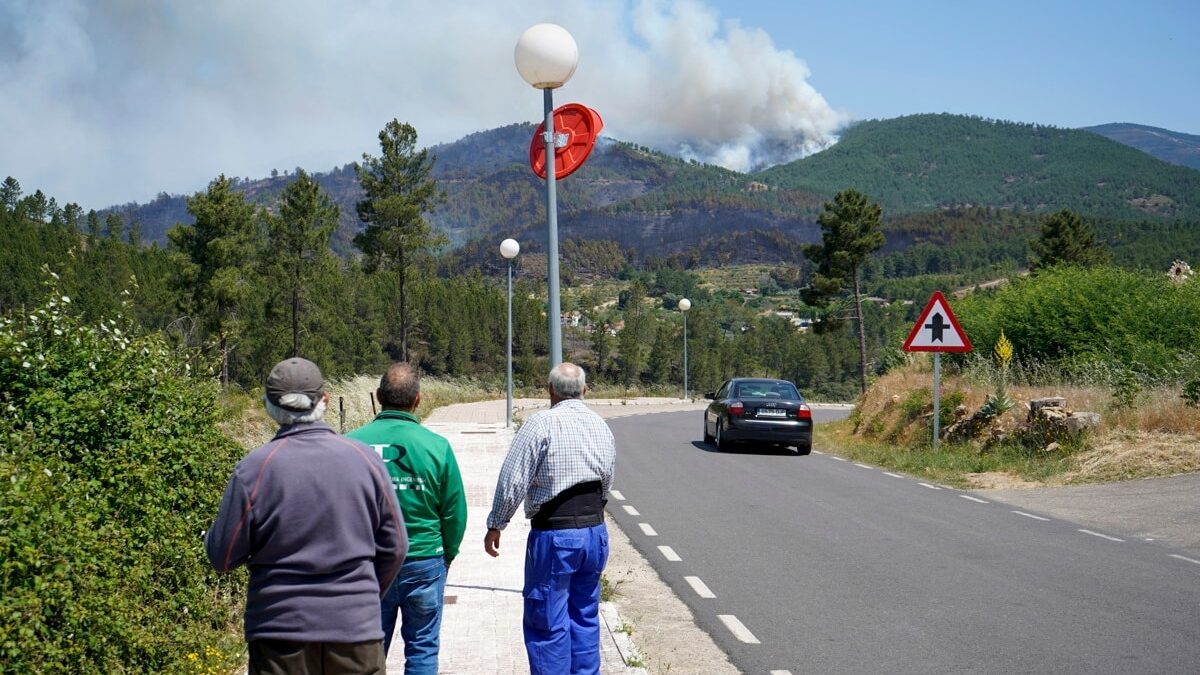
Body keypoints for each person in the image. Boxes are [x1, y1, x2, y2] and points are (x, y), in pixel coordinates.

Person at [205, 357, 408, 675]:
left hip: (280, 634)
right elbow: (396, 546)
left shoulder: (254, 470)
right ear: (324, 401)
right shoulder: (365, 461)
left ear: (268, 407)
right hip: (356, 629)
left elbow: (223, 555)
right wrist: (364, 594)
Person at [484, 362, 615, 675]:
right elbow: (607, 479)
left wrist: (496, 524)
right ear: (584, 390)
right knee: (584, 616)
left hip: (557, 535)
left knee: (547, 620)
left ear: (550, 390)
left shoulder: (540, 424)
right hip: (594, 531)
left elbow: (513, 479)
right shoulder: (600, 425)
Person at [346, 362, 467, 674]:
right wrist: (446, 556)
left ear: (378, 396)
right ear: (418, 400)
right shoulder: (436, 447)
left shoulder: (349, 445)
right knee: (423, 649)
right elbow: (454, 512)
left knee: (366, 654)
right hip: (424, 559)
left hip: (369, 564)